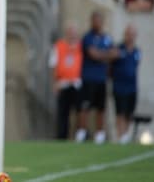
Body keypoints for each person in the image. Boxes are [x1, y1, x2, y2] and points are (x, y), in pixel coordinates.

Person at [75, 11, 120, 144]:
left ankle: (99, 133)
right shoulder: (87, 37)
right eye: (95, 20)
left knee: (101, 108)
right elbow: (94, 54)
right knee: (85, 106)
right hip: (88, 77)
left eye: (99, 20)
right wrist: (106, 55)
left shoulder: (107, 38)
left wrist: (103, 55)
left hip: (102, 78)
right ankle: (82, 132)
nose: (97, 23)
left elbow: (115, 53)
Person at [49, 23, 83, 140]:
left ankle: (79, 135)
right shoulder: (59, 46)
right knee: (63, 112)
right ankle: (62, 136)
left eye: (74, 33)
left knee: (79, 111)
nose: (72, 35)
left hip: (77, 84)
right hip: (63, 84)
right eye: (70, 33)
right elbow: (53, 65)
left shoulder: (81, 47)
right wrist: (55, 83)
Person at [111, 24, 141, 144]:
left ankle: (126, 134)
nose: (130, 37)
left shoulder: (137, 51)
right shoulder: (118, 49)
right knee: (120, 112)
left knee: (129, 112)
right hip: (119, 86)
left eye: (133, 34)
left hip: (132, 86)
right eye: (129, 34)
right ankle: (121, 135)